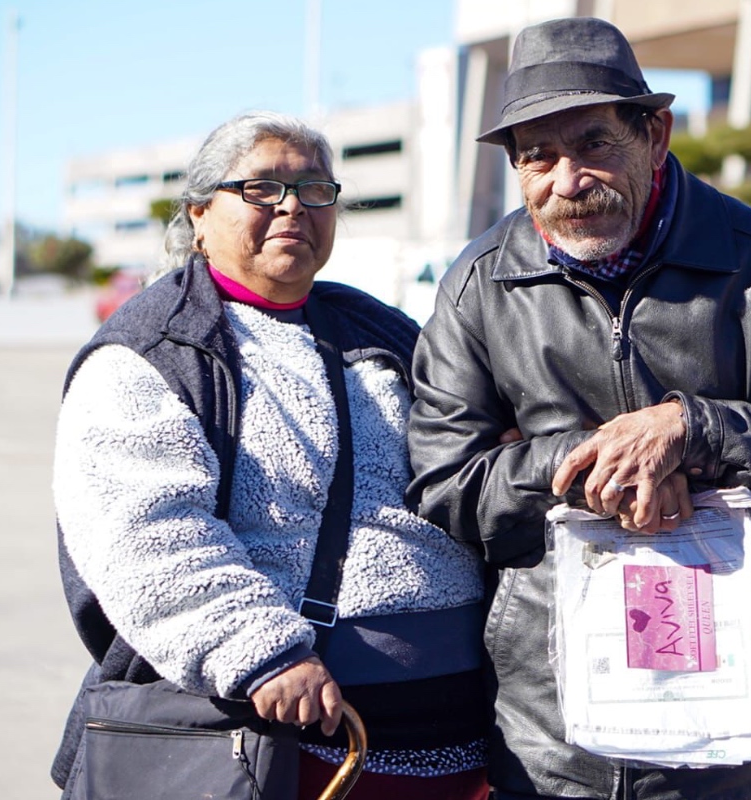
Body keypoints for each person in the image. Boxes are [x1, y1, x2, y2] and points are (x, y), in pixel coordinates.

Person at [406, 17, 751, 800]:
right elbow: (443, 485)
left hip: (736, 743)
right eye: (538, 158)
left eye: (594, 143)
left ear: (654, 133)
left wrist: (694, 429)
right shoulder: (479, 285)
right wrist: (585, 461)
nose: (567, 179)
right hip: (550, 745)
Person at [51, 111, 489, 800]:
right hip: (294, 744)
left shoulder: (378, 328)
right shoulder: (153, 352)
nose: (293, 207)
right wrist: (264, 655)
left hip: (462, 737)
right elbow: (144, 536)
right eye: (262, 188)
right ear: (198, 215)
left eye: (315, 189)